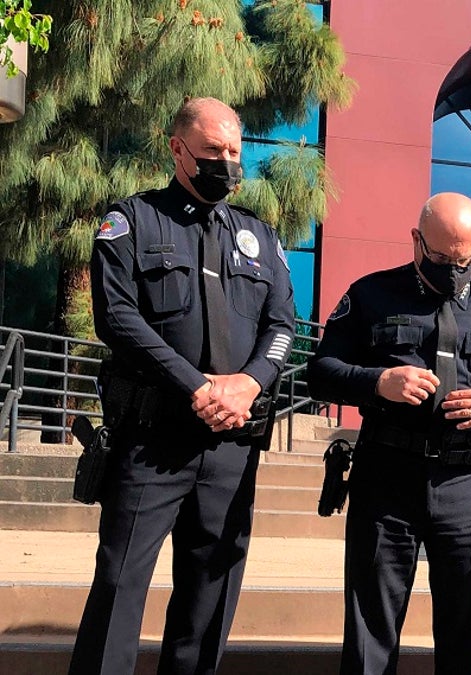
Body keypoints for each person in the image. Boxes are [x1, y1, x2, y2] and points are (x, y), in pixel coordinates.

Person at [72, 97, 296, 675]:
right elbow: (118, 319)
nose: (227, 162)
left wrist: (249, 383)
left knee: (209, 596)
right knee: (120, 588)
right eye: (212, 151)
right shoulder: (132, 221)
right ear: (177, 150)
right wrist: (195, 386)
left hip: (230, 446)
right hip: (152, 442)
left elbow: (282, 326)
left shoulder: (259, 237)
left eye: (234, 152)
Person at [307, 193, 471, 675]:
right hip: (388, 479)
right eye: (439, 258)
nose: (454, 270)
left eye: (465, 260)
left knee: (468, 629)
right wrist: (376, 382)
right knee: (373, 624)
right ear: (416, 240)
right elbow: (321, 372)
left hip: (467, 483)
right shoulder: (372, 294)